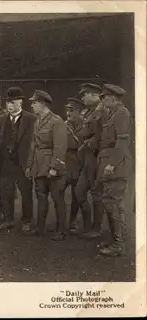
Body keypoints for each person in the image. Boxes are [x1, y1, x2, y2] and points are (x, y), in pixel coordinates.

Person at [0, 87, 37, 233]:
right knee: (6, 192)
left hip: (23, 163)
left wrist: (31, 163)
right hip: (6, 162)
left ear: (20, 102)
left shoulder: (31, 119)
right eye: (7, 102)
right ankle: (8, 219)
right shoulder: (1, 119)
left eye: (12, 102)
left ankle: (26, 221)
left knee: (26, 193)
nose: (9, 105)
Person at [95, 84, 132, 257]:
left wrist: (112, 164)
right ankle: (115, 240)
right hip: (109, 163)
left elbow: (122, 141)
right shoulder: (112, 113)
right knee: (110, 203)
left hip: (116, 165)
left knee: (113, 203)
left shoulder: (122, 114)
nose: (102, 100)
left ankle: (118, 244)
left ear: (112, 98)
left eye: (104, 97)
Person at [26, 90, 67, 241]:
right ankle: (40, 227)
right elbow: (33, 146)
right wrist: (29, 165)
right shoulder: (38, 121)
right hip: (39, 165)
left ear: (42, 104)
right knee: (41, 197)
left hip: (51, 165)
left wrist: (54, 167)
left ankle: (61, 230)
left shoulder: (57, 121)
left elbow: (60, 146)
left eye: (34, 103)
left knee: (57, 198)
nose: (32, 105)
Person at [76, 83, 106, 240]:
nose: (82, 97)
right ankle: (88, 225)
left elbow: (104, 135)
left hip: (96, 157)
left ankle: (96, 228)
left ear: (95, 95)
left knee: (96, 192)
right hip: (86, 158)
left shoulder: (102, 111)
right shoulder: (88, 112)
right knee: (79, 192)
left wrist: (90, 142)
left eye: (85, 94)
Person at [64, 97, 92, 235]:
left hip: (79, 165)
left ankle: (74, 222)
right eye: (67, 110)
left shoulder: (86, 127)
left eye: (72, 110)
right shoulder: (62, 125)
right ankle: (61, 223)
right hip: (65, 164)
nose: (68, 113)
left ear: (80, 112)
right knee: (57, 194)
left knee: (77, 197)